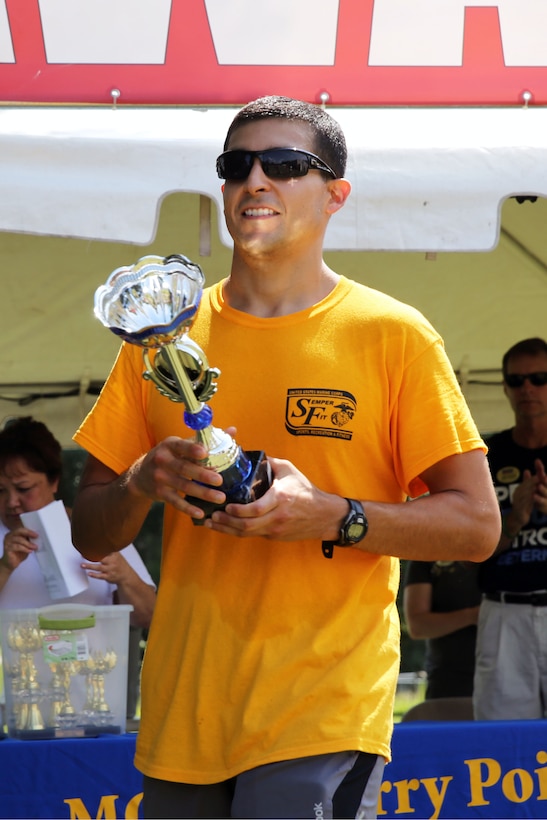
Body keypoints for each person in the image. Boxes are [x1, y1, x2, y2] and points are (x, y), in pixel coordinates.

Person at [70, 96, 500, 819]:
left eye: (285, 164)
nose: (255, 181)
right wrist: (144, 480)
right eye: (236, 165)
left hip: (322, 710)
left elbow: (475, 525)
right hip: (184, 713)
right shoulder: (161, 338)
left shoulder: (392, 335)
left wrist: (330, 517)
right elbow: (90, 531)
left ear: (335, 193)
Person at [0, 416, 156, 717]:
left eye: (23, 488)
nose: (12, 502)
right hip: (17, 713)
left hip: (97, 708)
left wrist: (124, 576)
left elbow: (150, 616)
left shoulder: (94, 529)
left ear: (54, 480)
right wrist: (6, 567)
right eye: (0, 491)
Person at [474, 337, 547, 720]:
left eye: (539, 377)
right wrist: (515, 519)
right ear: (504, 387)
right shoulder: (486, 456)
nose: (528, 388)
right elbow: (472, 549)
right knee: (501, 743)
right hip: (504, 612)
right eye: (517, 381)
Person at [403, 559, 481, 699]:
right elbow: (417, 626)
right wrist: (472, 616)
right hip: (449, 680)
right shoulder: (425, 555)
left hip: (506, 674)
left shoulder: (504, 546)